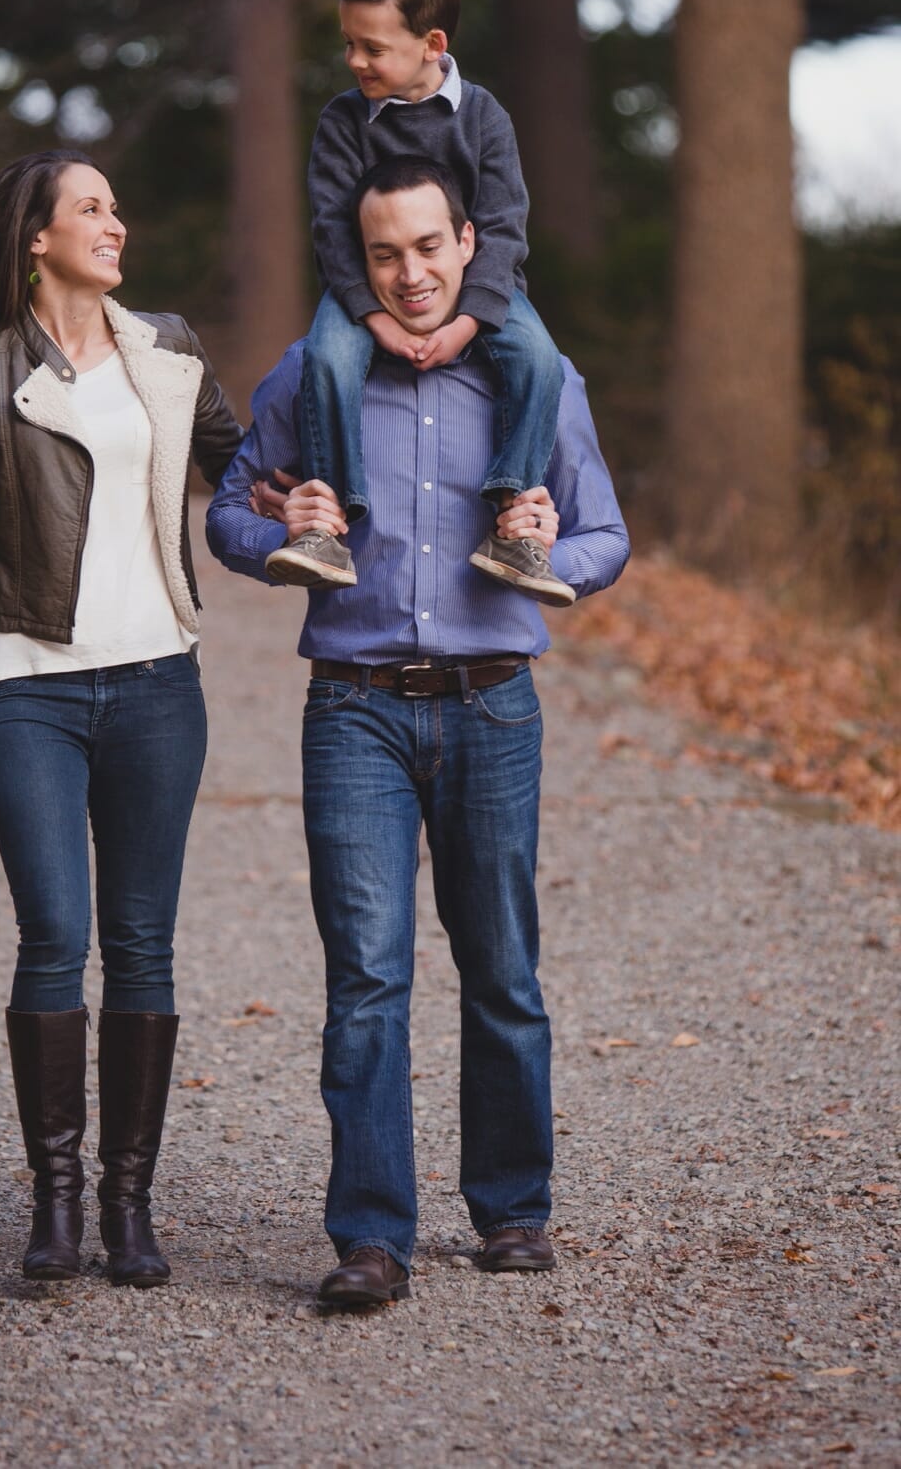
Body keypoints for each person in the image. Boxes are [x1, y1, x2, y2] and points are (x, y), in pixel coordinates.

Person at [207, 156, 629, 1309]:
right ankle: (371, 1236)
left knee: (501, 970)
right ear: (362, 257)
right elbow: (227, 510)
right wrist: (278, 521)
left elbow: (605, 535)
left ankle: (512, 1210)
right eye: (384, 252)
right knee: (366, 978)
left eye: (428, 248)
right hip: (354, 709)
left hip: (495, 703)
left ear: (467, 245)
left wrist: (550, 548)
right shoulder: (311, 376)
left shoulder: (532, 379)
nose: (409, 274)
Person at [0, 150, 241, 1289]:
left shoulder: (165, 349)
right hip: (26, 688)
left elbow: (249, 471)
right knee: (52, 936)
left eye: (117, 207)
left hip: (156, 690)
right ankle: (57, 1205)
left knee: (141, 943)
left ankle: (130, 1210)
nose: (114, 222)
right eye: (91, 207)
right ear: (36, 236)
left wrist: (317, 493)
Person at [267, 0, 573, 609]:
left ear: (431, 42)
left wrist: (467, 325)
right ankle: (329, 525)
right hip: (365, 290)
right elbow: (332, 231)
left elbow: (501, 226)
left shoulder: (484, 117)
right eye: (349, 43)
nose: (355, 61)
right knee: (325, 359)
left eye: (372, 47)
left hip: (478, 290)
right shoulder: (343, 120)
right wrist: (374, 319)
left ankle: (511, 516)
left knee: (539, 359)